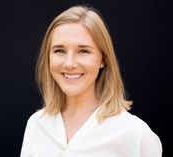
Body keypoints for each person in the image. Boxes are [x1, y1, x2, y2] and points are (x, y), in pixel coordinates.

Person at [20, 5, 162, 157]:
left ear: (103, 59)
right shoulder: (36, 125)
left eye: (83, 51)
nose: (69, 63)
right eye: (59, 51)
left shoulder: (135, 134)